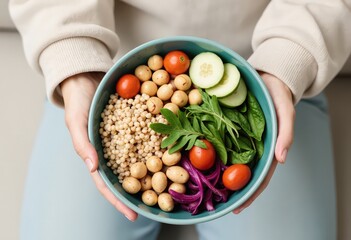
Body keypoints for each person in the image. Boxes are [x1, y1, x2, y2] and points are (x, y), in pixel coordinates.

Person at [9, 0, 351, 239]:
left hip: (268, 69)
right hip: (109, 69)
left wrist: (289, 60)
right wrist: (76, 65)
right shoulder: (132, 108)